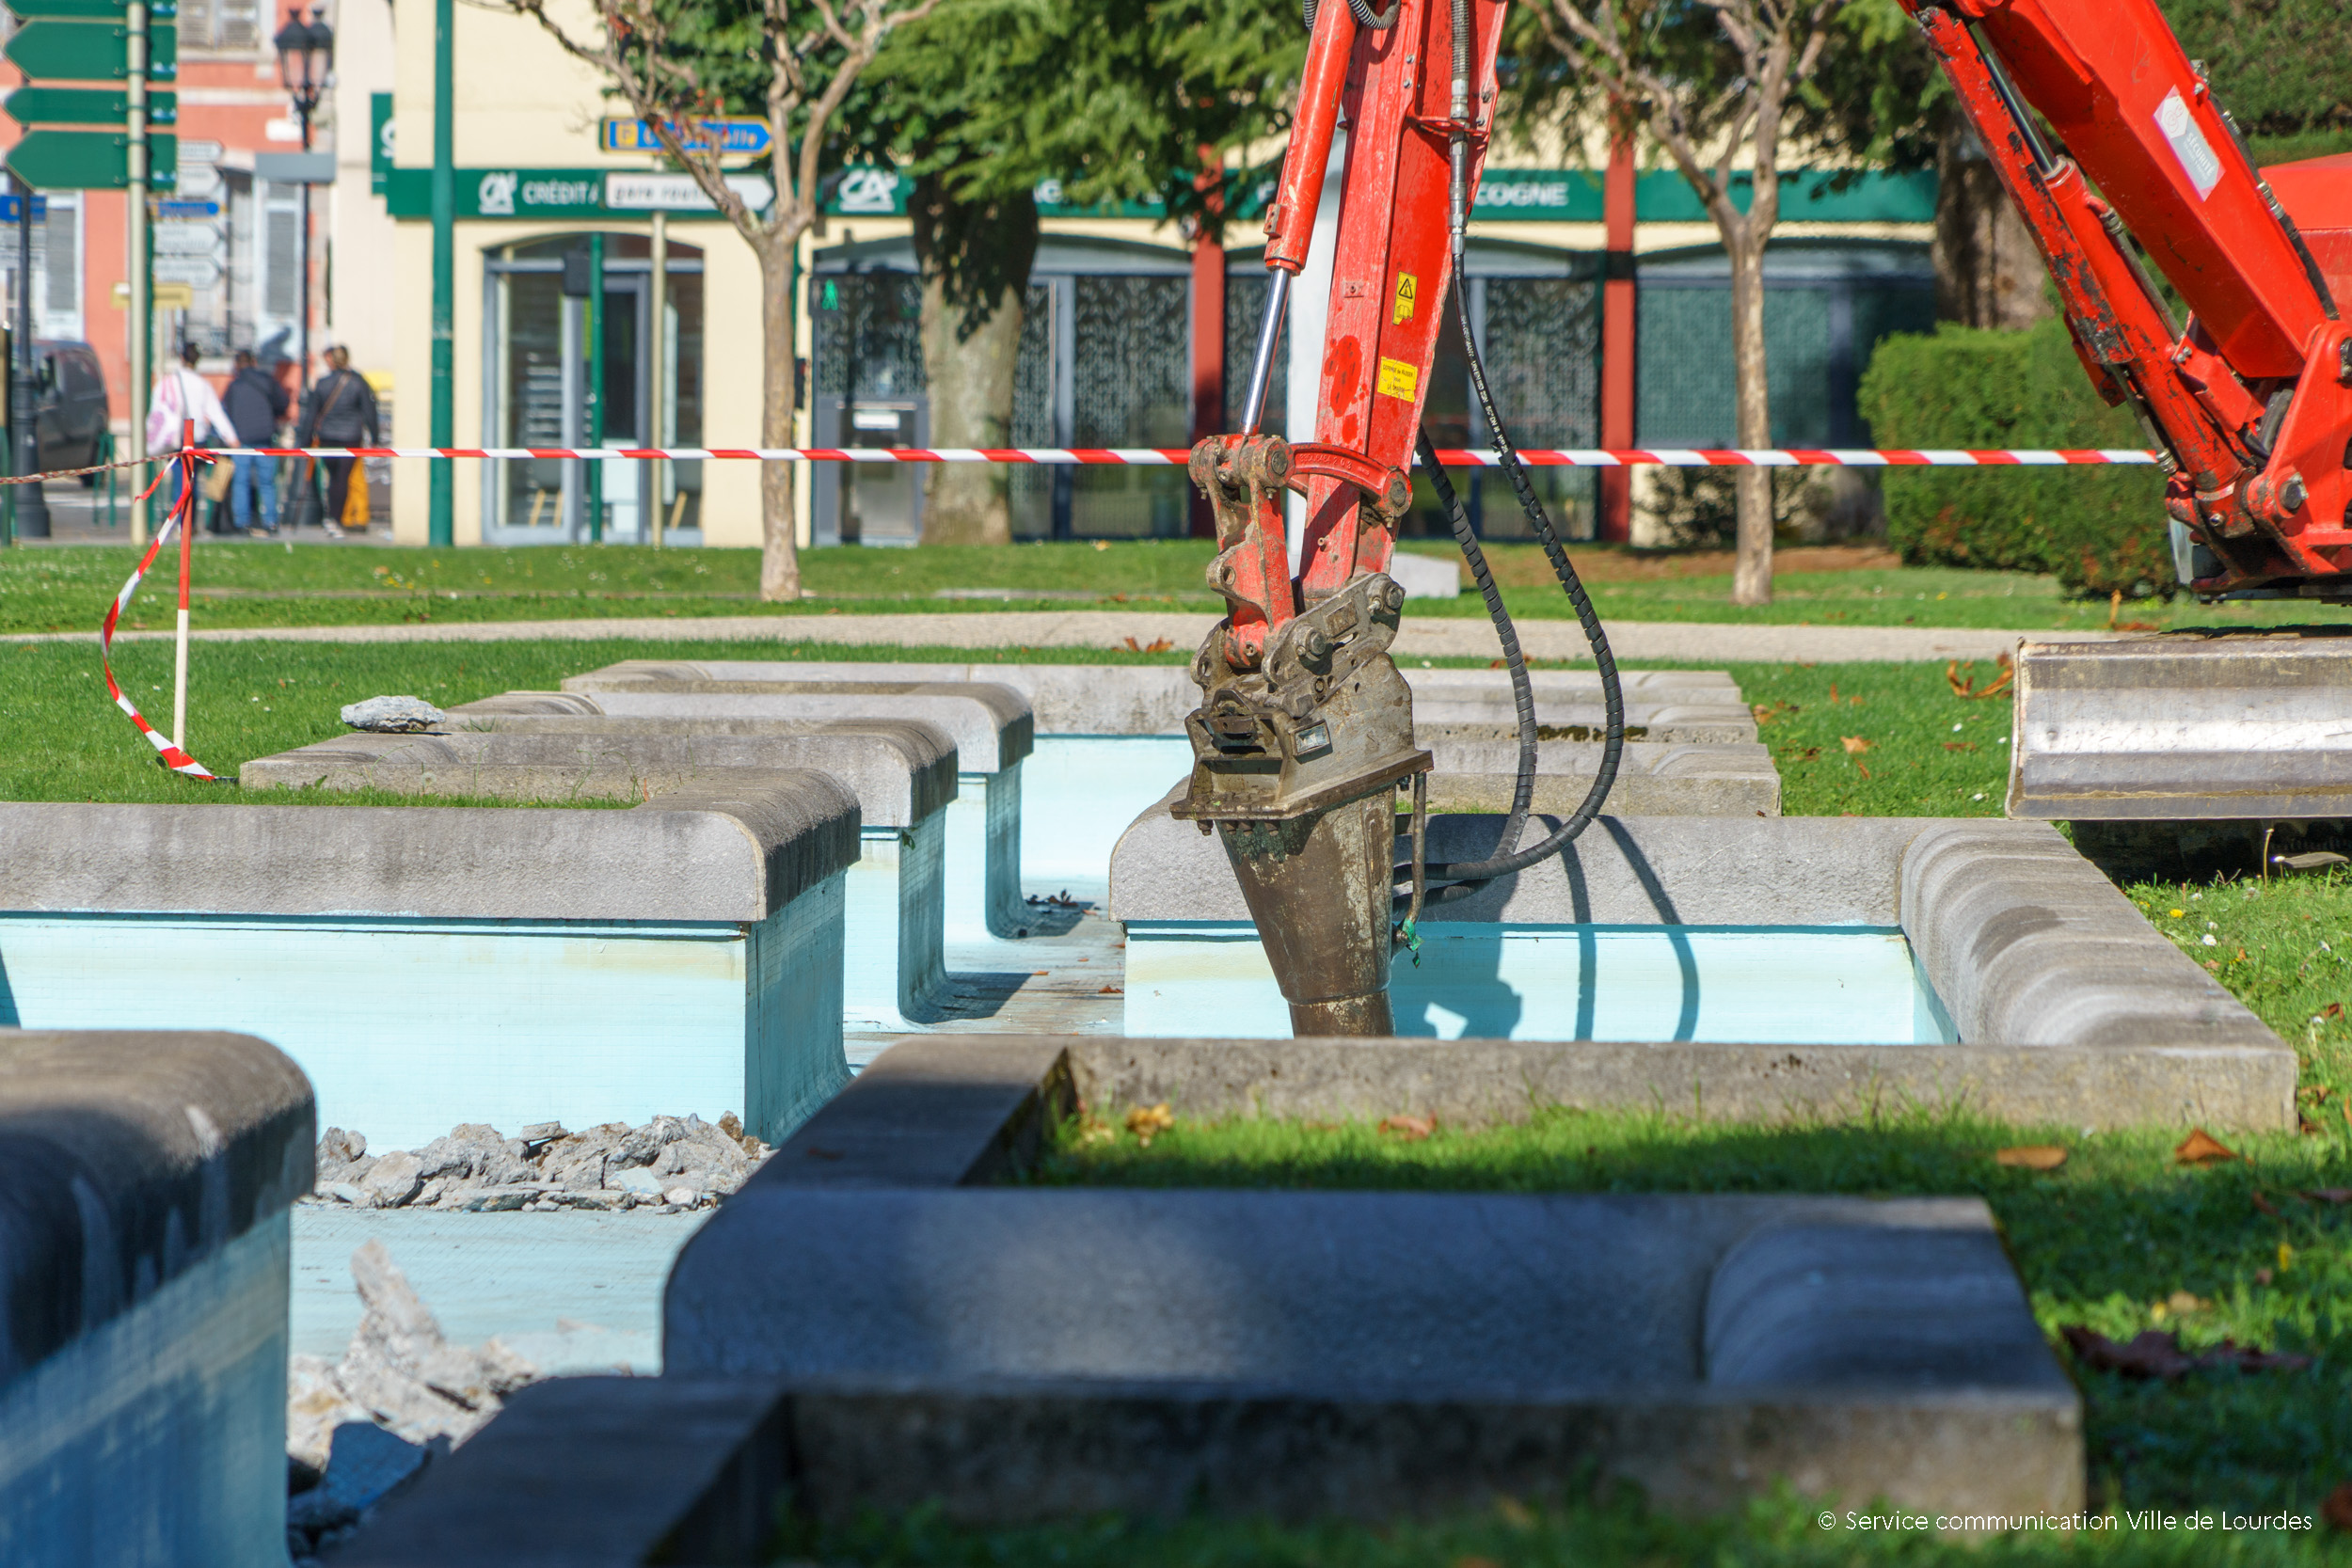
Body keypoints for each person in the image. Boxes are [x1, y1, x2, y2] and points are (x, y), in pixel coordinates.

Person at [144, 341, 235, 527]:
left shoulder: (168, 382)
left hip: (176, 439)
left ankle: (182, 523)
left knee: (180, 482)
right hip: (197, 440)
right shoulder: (202, 384)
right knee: (193, 483)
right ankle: (189, 523)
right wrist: (231, 437)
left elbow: (157, 409)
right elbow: (215, 412)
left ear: (181, 358)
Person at [296, 345, 380, 539]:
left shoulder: (322, 383)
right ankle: (336, 519)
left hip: (327, 437)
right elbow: (369, 412)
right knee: (343, 479)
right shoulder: (358, 382)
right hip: (351, 437)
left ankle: (333, 518)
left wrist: (306, 440)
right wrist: (374, 437)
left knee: (333, 478)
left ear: (331, 361)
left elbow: (311, 414)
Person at [222, 348, 289, 534]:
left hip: (241, 439)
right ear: (254, 362)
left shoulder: (234, 386)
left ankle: (242, 522)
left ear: (237, 365)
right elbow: (283, 403)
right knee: (267, 482)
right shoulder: (267, 381)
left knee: (241, 482)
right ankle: (271, 521)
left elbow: (226, 412)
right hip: (265, 437)